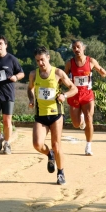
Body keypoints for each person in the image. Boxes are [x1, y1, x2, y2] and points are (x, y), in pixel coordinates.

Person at [27, 46, 78, 185]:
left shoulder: (58, 73)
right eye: (37, 61)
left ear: (48, 57)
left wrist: (64, 95)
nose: (40, 63)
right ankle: (49, 155)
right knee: (37, 144)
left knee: (57, 145)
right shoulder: (33, 74)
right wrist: (31, 99)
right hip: (40, 114)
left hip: (56, 114)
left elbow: (74, 88)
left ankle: (61, 173)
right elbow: (30, 89)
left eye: (42, 59)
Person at [64, 40, 106, 156]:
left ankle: (88, 146)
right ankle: (80, 119)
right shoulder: (69, 63)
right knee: (76, 124)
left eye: (78, 47)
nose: (76, 49)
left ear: (83, 48)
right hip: (74, 95)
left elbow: (102, 71)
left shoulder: (91, 61)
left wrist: (102, 72)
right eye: (74, 48)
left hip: (87, 95)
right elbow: (64, 77)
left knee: (89, 118)